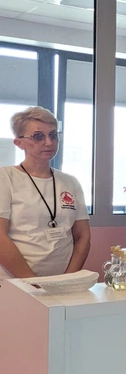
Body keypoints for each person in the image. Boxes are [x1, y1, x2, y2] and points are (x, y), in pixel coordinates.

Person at [0, 107, 90, 279]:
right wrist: (33, 283)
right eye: (38, 136)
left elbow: (83, 236)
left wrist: (67, 280)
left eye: (53, 135)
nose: (49, 142)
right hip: (16, 282)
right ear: (19, 143)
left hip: (61, 282)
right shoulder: (5, 178)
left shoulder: (70, 182)